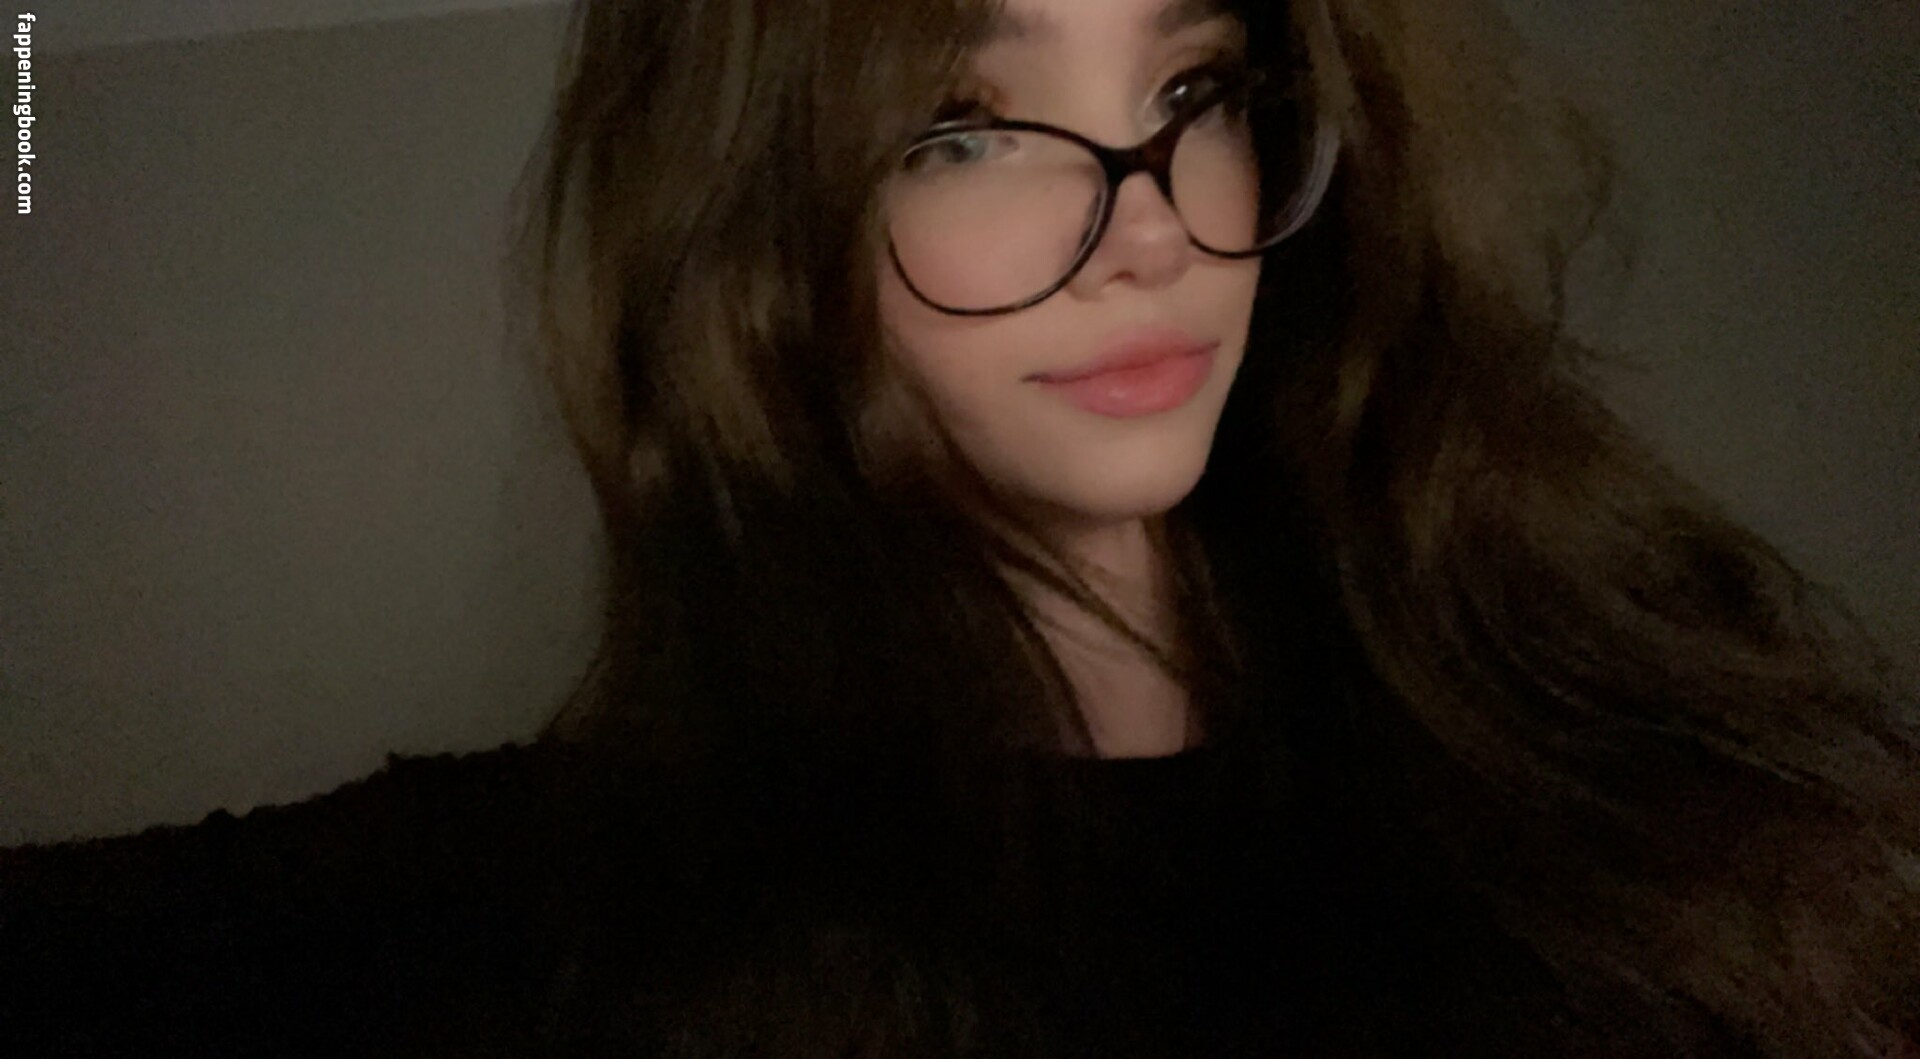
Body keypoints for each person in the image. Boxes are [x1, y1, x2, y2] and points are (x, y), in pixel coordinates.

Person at [3, 0, 1916, 1056]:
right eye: (959, 126)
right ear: (763, 240)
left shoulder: (1619, 740)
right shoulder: (568, 900)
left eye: (1197, 89)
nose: (1151, 221)